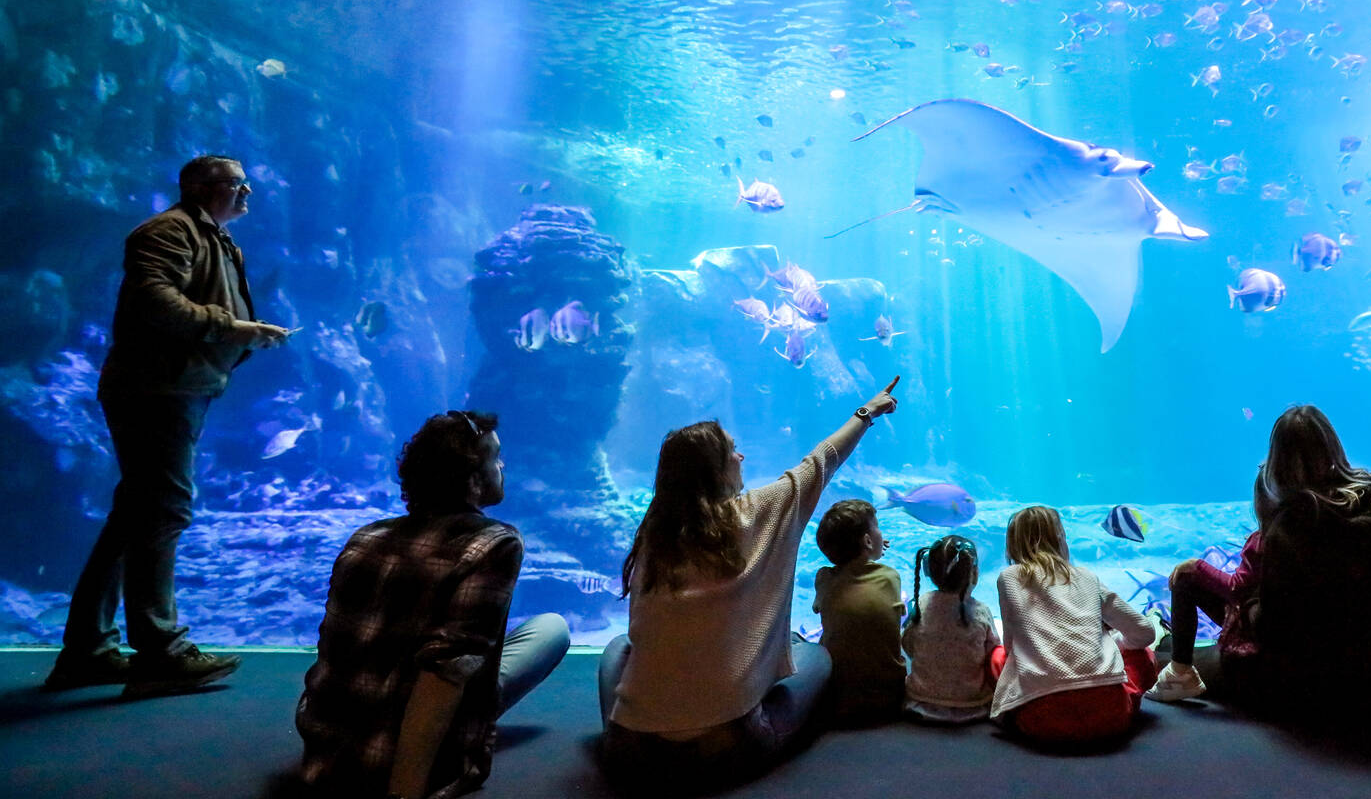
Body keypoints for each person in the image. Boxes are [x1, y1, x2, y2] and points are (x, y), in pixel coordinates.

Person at [45, 155, 292, 698]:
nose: (248, 193)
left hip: (180, 387)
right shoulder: (167, 232)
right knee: (164, 509)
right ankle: (160, 651)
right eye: (237, 185)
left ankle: (88, 650)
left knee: (134, 515)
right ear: (203, 188)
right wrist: (235, 328)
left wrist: (239, 336)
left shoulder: (217, 237)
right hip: (155, 390)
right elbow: (154, 300)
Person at [598, 376, 900, 791]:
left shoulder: (656, 531)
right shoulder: (756, 513)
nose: (742, 456)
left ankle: (635, 731)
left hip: (631, 753)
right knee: (816, 658)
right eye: (732, 450)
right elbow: (822, 460)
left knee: (618, 648)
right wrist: (867, 412)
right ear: (715, 469)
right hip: (729, 752)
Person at [295, 411, 569, 799]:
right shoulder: (494, 543)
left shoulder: (366, 537)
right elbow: (444, 673)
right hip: (394, 759)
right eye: (496, 457)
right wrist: (405, 790)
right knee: (553, 628)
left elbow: (335, 647)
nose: (503, 466)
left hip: (326, 747)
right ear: (473, 477)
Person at [1176, 405, 1371, 728]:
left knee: (1175, 656)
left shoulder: (1294, 524)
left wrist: (1243, 600)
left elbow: (1274, 633)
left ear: (1276, 463)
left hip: (1336, 700)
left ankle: (1164, 660)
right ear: (1334, 446)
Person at [990, 504, 1158, 744]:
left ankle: (1009, 712)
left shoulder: (1008, 578)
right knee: (1143, 654)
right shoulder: (1087, 577)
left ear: (1012, 543)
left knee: (997, 657)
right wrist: (1115, 643)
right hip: (1112, 716)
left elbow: (1010, 647)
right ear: (1060, 539)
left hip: (1040, 721)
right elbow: (1144, 632)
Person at [1142, 501, 1265, 703]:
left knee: (1148, 659)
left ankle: (1173, 663)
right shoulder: (1322, 531)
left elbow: (1238, 589)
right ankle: (1163, 637)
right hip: (1297, 650)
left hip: (1258, 661)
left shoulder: (1267, 539)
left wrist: (1198, 567)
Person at [811, 499, 907, 724]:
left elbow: (818, 605)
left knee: (802, 642)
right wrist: (873, 554)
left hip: (839, 699)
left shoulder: (823, 578)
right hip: (890, 699)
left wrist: (869, 550)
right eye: (878, 528)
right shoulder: (890, 576)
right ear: (866, 541)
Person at [901, 534, 999, 723]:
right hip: (972, 704)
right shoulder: (981, 611)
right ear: (975, 573)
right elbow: (992, 650)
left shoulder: (922, 604)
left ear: (928, 569)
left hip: (920, 701)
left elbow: (908, 644)